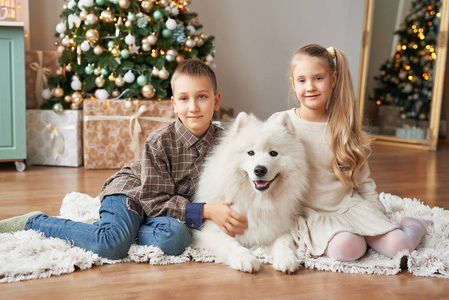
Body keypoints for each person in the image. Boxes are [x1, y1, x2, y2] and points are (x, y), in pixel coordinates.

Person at [0, 59, 248, 260]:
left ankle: (111, 226)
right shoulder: (159, 141)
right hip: (133, 196)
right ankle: (36, 222)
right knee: (112, 245)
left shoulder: (226, 143)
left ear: (216, 101)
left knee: (176, 239)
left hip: (162, 213)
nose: (193, 106)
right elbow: (152, 199)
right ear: (174, 104)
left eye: (202, 97)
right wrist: (205, 210)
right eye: (184, 98)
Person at [270, 44, 431, 261]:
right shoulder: (280, 123)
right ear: (293, 83)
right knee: (349, 248)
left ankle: (414, 225)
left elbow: (363, 180)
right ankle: (357, 238)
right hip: (311, 214)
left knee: (400, 246)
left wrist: (376, 216)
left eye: (318, 78)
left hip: (348, 206)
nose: (310, 87)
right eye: (302, 80)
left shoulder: (343, 126)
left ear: (333, 79)